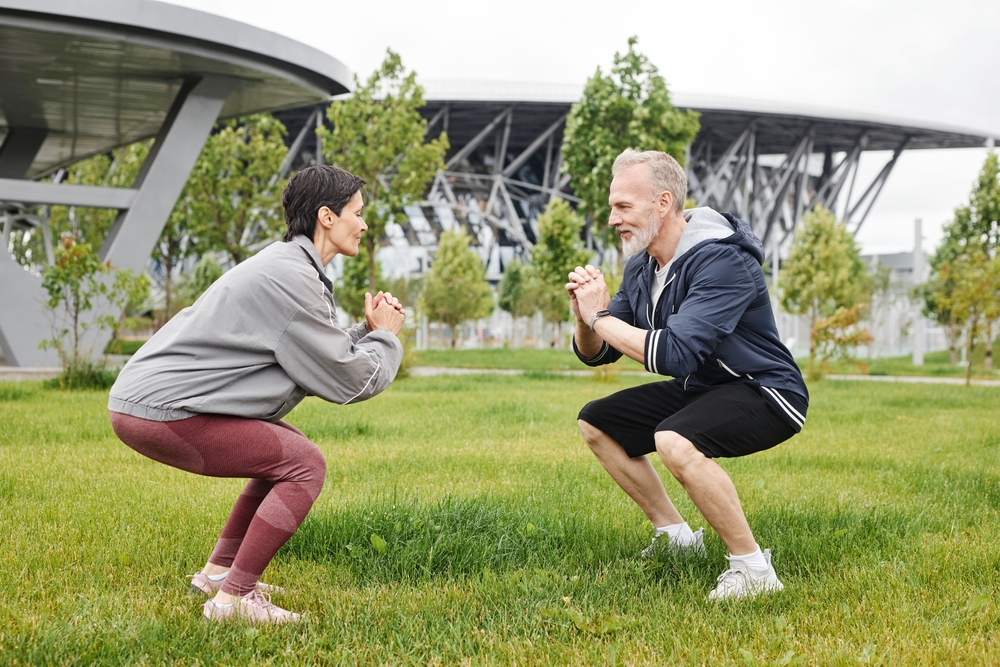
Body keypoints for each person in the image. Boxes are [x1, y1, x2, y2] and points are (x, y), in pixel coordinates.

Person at [108, 165, 405, 623]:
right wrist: (387, 337)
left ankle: (217, 575)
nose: (364, 224)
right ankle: (233, 601)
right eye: (358, 212)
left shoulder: (289, 266)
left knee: (285, 453)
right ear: (327, 216)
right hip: (161, 411)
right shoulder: (293, 277)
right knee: (304, 464)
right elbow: (351, 381)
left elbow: (315, 353)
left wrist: (365, 331)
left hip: (148, 403)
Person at [567, 149, 808, 601]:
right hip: (705, 387)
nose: (613, 218)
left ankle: (754, 570)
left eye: (624, 206)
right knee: (596, 421)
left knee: (675, 439)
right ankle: (676, 536)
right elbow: (598, 354)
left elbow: (675, 353)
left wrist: (600, 315)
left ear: (662, 202)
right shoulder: (642, 265)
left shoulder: (723, 261)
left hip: (768, 392)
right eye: (611, 206)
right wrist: (585, 315)